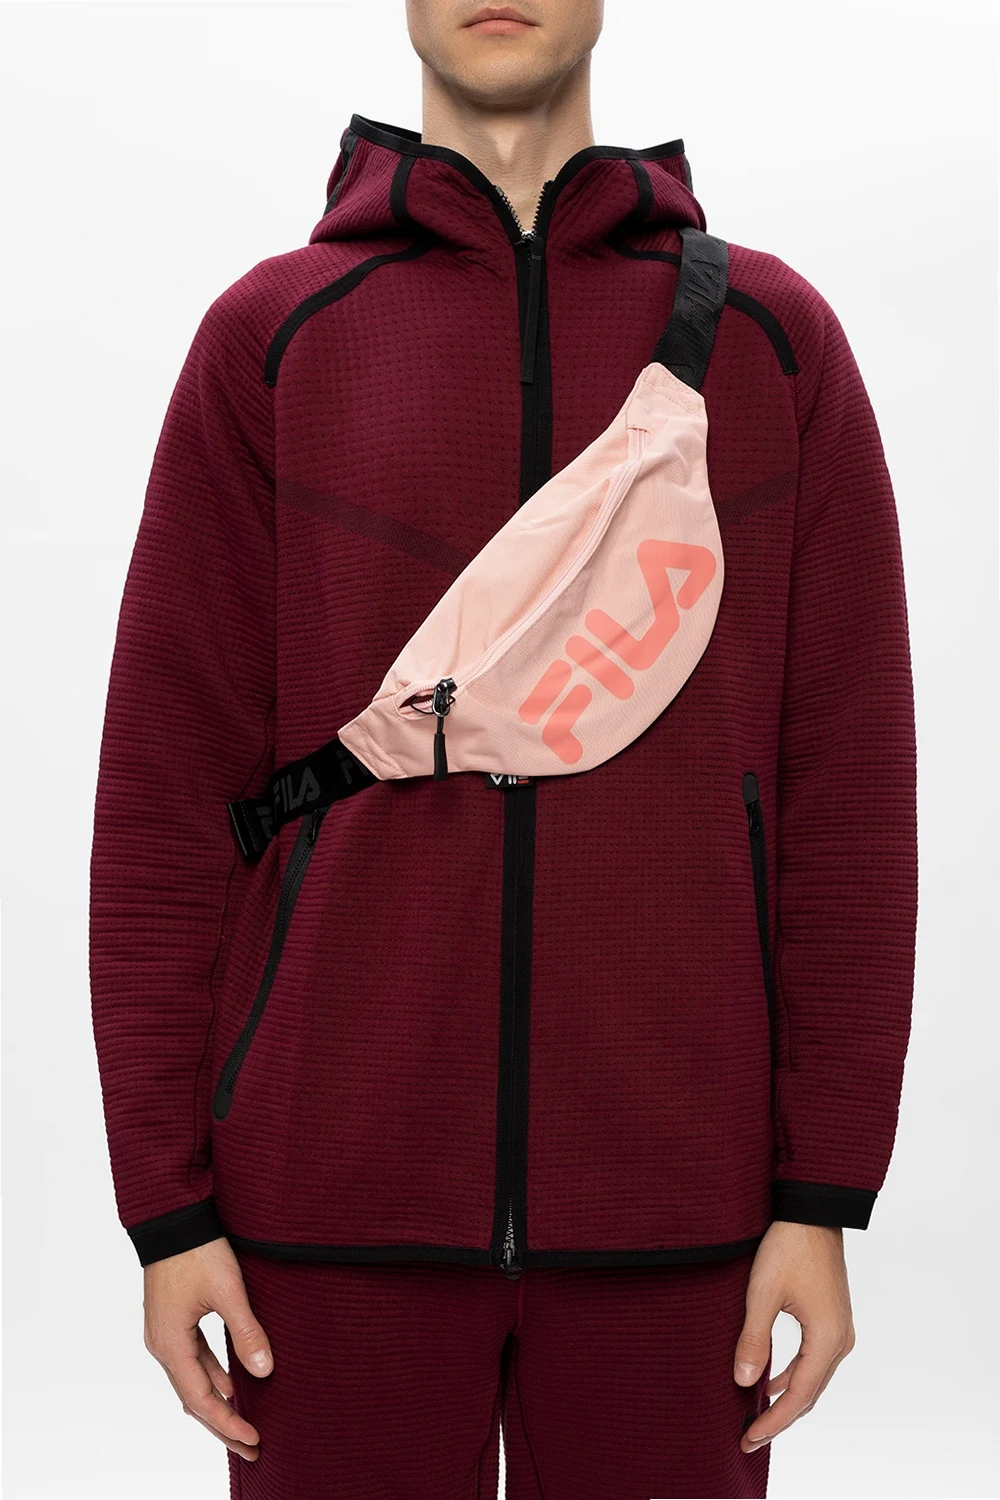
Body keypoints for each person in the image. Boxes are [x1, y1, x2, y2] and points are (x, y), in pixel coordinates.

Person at [88, 2, 918, 1496]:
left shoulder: (774, 342)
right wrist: (166, 1205)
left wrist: (823, 1191)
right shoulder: (273, 338)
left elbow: (847, 801)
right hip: (319, 1212)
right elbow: (165, 800)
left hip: (686, 1217)